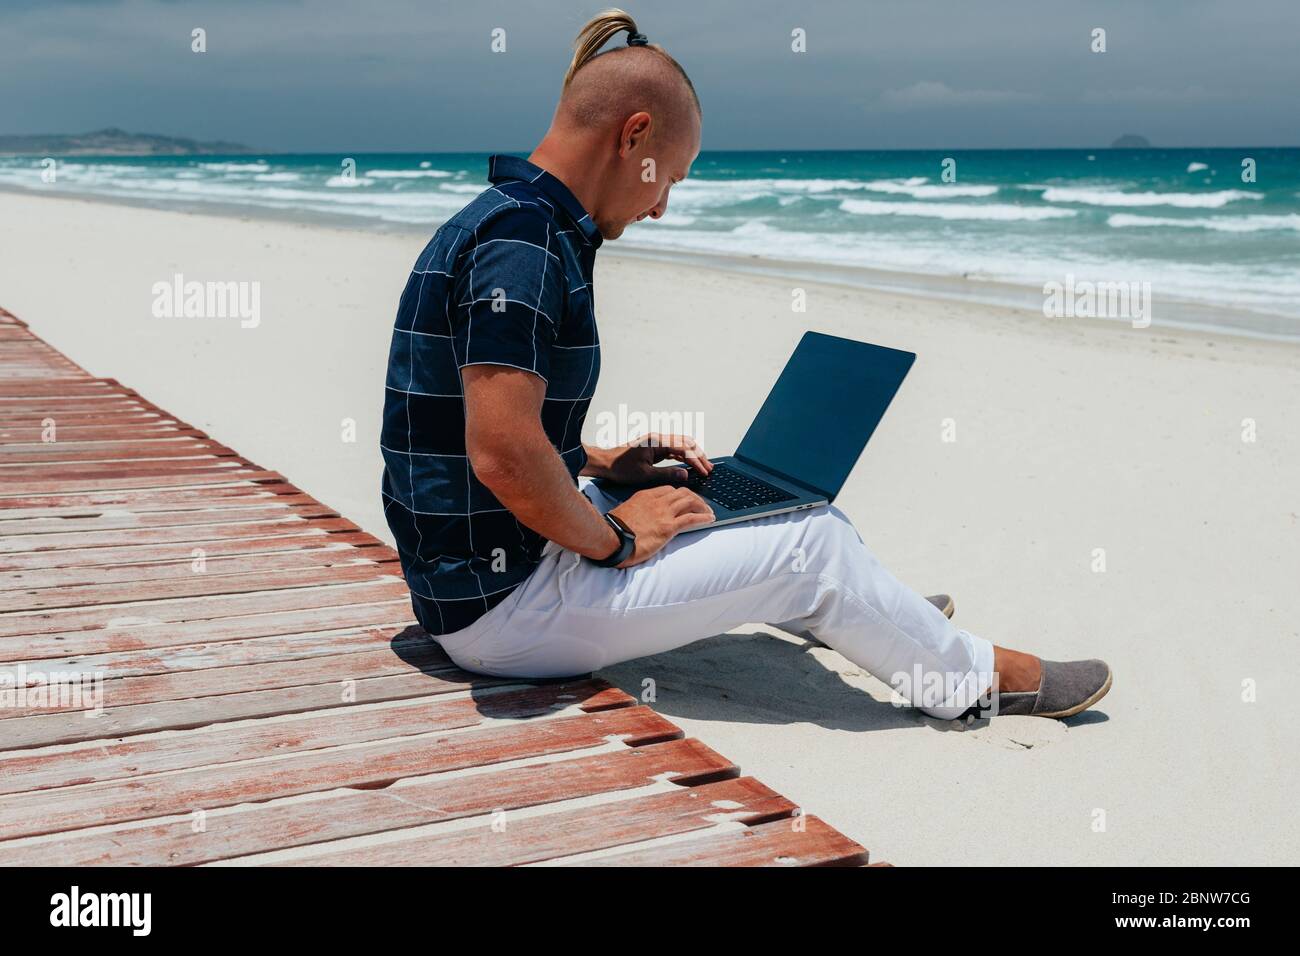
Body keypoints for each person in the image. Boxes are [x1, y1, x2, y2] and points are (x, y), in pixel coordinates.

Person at [379, 9, 1112, 720]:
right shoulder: (525, 246)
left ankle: (876, 614)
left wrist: (605, 464)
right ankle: (974, 676)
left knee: (727, 503)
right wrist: (620, 540)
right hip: (501, 609)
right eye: (670, 176)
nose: (661, 204)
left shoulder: (510, 218)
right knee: (812, 546)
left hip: (478, 573)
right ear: (635, 135)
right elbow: (502, 454)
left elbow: (471, 425)